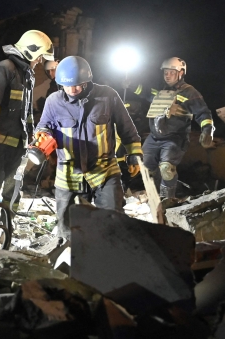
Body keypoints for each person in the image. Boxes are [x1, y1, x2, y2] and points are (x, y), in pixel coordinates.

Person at [35, 56, 143, 240]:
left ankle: (110, 261)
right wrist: (43, 137)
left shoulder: (107, 96)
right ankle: (69, 263)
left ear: (87, 80)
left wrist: (134, 153)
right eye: (67, 86)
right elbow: (43, 127)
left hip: (105, 171)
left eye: (78, 85)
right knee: (68, 230)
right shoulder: (53, 101)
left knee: (113, 224)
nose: (72, 90)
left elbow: (127, 128)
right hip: (69, 175)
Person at [0, 30, 55, 211]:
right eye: (39, 56)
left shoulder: (26, 76)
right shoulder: (4, 68)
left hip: (19, 142)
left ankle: (8, 221)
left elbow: (25, 110)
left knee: (14, 184)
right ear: (30, 50)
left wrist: (32, 136)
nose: (40, 61)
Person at [141, 58, 215, 199]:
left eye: (171, 72)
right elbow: (144, 92)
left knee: (166, 168)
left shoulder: (189, 92)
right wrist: (131, 84)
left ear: (181, 73)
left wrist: (207, 130)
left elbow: (203, 113)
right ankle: (153, 196)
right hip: (154, 137)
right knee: (146, 169)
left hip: (175, 138)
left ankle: (167, 199)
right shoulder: (160, 90)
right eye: (165, 72)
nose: (167, 75)